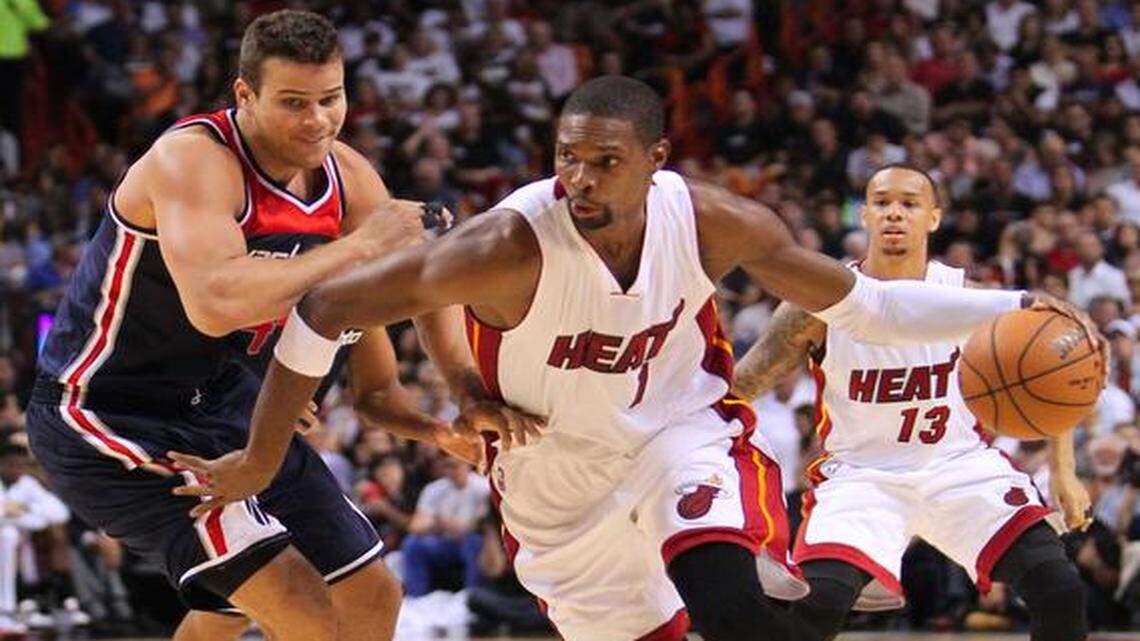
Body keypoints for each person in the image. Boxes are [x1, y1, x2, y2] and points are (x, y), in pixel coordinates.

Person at [176, 76, 1100, 641]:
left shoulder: (714, 221)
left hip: (675, 432)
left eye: (605, 161)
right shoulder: (505, 244)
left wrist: (1017, 304)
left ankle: (755, 561)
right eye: (567, 158)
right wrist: (266, 455)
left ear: (655, 158)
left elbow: (872, 304)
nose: (580, 179)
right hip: (552, 470)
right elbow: (330, 306)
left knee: (732, 611)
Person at [24, 11, 507, 641]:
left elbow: (421, 281)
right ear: (245, 94)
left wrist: (465, 394)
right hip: (108, 409)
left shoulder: (349, 178)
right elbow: (214, 303)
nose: (317, 120)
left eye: (331, 99)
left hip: (228, 405)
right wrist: (359, 246)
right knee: (300, 607)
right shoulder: (192, 159)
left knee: (370, 598)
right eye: (294, 102)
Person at [732, 164, 1093, 641]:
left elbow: (1054, 376)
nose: (894, 214)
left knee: (1059, 587)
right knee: (816, 609)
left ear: (934, 218)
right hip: (861, 476)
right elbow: (746, 382)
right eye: (882, 203)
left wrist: (1064, 470)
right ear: (865, 215)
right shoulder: (818, 302)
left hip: (959, 466)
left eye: (909, 203)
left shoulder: (968, 298)